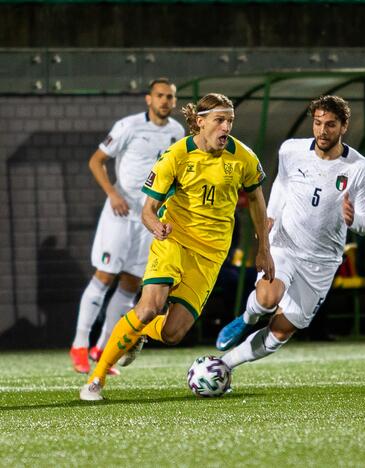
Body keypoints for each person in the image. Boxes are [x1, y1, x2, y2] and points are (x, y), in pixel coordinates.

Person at [79, 93, 273, 401]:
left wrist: (264, 249)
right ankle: (97, 377)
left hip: (210, 256)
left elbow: (258, 203)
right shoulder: (175, 156)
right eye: (219, 120)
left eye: (230, 121)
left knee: (172, 333)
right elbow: (148, 210)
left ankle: (140, 331)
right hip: (173, 240)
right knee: (149, 306)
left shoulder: (243, 158)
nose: (226, 128)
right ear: (200, 122)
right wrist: (156, 226)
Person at [215, 95, 365, 371]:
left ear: (344, 126)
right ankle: (248, 318)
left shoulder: (360, 168)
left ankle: (225, 365)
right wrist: (270, 218)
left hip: (322, 261)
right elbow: (282, 184)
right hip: (285, 244)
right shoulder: (291, 150)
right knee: (267, 299)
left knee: (281, 331)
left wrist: (352, 219)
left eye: (331, 125)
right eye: (317, 123)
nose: (322, 131)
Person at [69, 78, 184, 375]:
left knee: (132, 284)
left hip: (150, 218)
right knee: (104, 276)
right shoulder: (128, 126)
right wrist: (113, 193)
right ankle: (80, 345)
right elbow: (96, 161)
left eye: (170, 97)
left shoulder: (177, 132)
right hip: (120, 213)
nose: (165, 101)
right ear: (149, 99)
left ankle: (104, 348)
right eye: (160, 96)